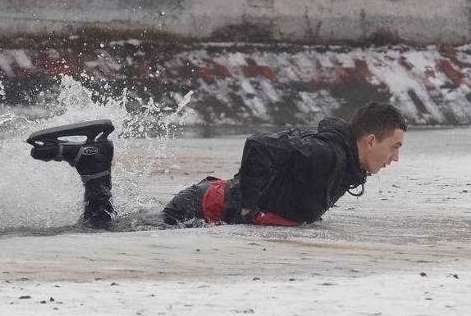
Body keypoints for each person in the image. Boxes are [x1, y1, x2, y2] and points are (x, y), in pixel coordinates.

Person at [27, 102, 407, 229]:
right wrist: (249, 206)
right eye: (394, 147)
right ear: (370, 140)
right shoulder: (328, 154)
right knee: (102, 231)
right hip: (204, 208)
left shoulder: (345, 161)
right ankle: (93, 163)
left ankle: (94, 162)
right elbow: (258, 146)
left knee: (120, 223)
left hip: (207, 204)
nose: (395, 158)